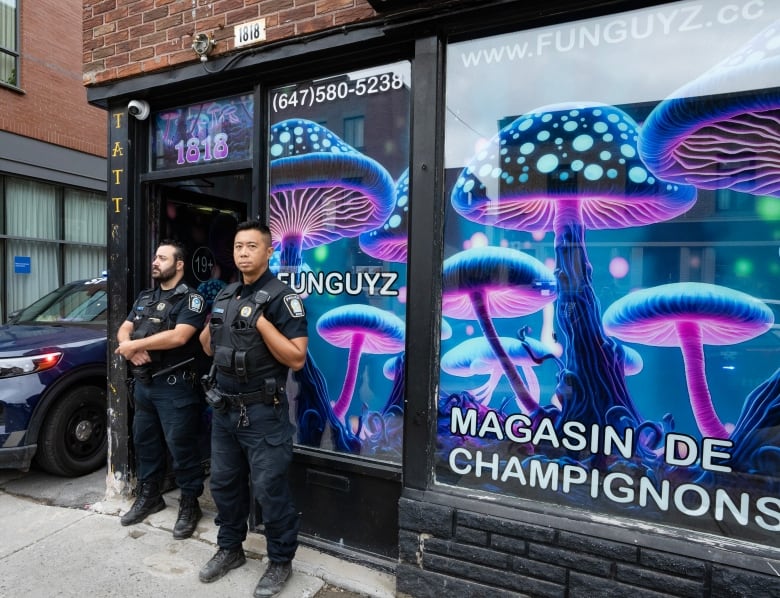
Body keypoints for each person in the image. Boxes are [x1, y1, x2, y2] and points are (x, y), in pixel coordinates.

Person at [198, 220, 308, 598]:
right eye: (237, 247)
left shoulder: (282, 297)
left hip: (264, 412)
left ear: (268, 251)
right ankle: (230, 549)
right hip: (225, 411)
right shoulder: (226, 295)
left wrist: (260, 323)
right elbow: (208, 348)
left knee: (269, 487)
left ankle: (280, 561)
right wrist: (214, 320)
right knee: (225, 485)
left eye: (250, 246)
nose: (242, 253)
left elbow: (296, 358)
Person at [115, 239, 208, 540]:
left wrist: (135, 346)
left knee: (182, 448)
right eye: (155, 257)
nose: (155, 262)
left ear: (179, 264)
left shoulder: (191, 299)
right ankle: (150, 497)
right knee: (145, 444)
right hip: (144, 386)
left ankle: (190, 503)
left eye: (163, 258)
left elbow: (180, 337)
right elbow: (125, 327)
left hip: (175, 386)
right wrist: (128, 348)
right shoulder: (145, 296)